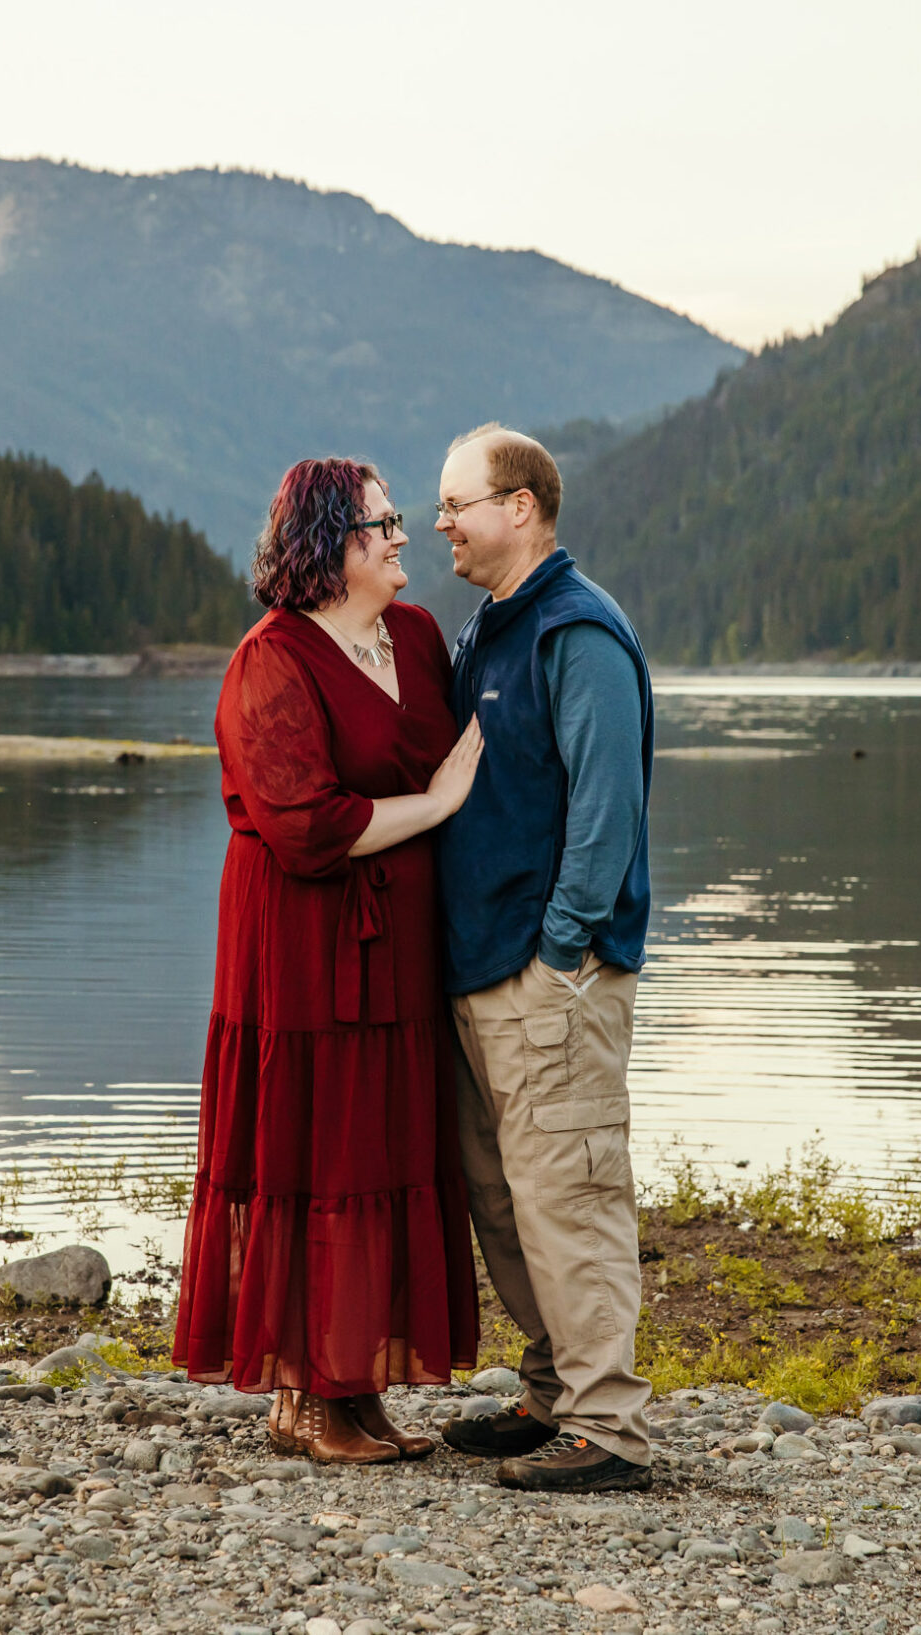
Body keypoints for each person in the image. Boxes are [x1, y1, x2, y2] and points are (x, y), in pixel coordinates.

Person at [173, 457, 485, 1465]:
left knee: (382, 1148)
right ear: (327, 543)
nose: (404, 537)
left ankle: (354, 1390)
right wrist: (433, 807)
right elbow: (302, 827)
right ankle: (301, 1394)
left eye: (398, 520)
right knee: (311, 1149)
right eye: (382, 523)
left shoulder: (418, 635)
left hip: (399, 942)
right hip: (299, 943)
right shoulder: (271, 659)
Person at [429, 423, 657, 1493]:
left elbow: (605, 812)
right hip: (482, 972)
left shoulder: (579, 632)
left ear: (519, 506)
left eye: (456, 503)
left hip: (548, 976)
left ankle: (608, 1428)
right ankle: (551, 1392)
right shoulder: (489, 631)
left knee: (569, 1193)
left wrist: (561, 950)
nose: (441, 525)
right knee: (505, 1197)